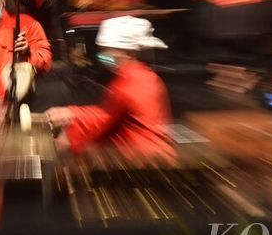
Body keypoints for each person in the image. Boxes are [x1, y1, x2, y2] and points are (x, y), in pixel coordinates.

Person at [45, 16, 175, 164]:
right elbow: (108, 113)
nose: (103, 55)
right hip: (146, 155)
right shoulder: (141, 75)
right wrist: (72, 113)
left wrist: (70, 114)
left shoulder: (133, 82)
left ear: (125, 52)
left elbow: (103, 119)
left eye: (106, 50)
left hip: (144, 161)